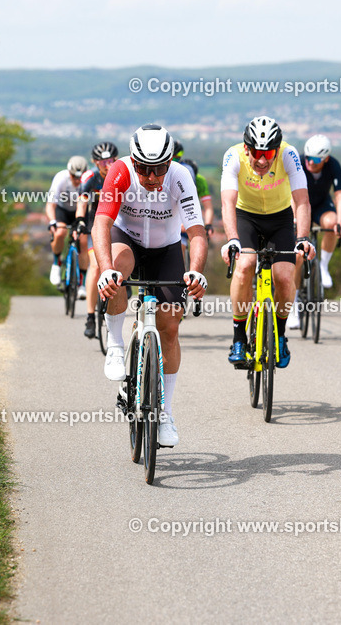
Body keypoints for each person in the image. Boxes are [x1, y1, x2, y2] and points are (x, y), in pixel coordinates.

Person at [95, 124, 207, 448]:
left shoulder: (181, 177)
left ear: (170, 163)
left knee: (170, 325)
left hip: (166, 249)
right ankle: (115, 343)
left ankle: (166, 413)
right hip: (125, 240)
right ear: (133, 161)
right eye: (144, 168)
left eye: (159, 168)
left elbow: (197, 232)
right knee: (118, 267)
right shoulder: (120, 172)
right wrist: (104, 271)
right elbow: (101, 222)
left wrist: (197, 272)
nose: (151, 176)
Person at [220, 117, 313, 369]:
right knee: (245, 265)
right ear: (247, 148)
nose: (262, 160)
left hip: (280, 218)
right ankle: (239, 337)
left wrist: (303, 237)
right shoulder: (233, 156)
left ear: (277, 149)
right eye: (257, 153)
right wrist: (232, 240)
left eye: (268, 153)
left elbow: (302, 200)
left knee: (284, 276)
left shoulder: (289, 155)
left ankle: (280, 335)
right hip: (245, 216)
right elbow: (228, 202)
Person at [287, 134, 341, 330]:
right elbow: (289, 193)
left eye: (316, 160)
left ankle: (324, 266)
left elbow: (340, 196)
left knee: (331, 223)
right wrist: (294, 219)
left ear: (326, 159)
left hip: (320, 205)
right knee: (297, 257)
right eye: (308, 158)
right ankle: (293, 307)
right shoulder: (299, 162)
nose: (310, 162)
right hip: (299, 205)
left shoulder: (334, 166)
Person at [76, 141, 119, 338]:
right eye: (102, 162)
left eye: (110, 160)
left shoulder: (121, 175)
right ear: (95, 162)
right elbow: (82, 203)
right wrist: (79, 221)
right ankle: (91, 316)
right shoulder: (90, 178)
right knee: (96, 268)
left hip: (118, 226)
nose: (106, 165)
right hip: (96, 225)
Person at [46, 156, 88, 290]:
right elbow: (50, 204)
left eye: (79, 177)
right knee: (60, 233)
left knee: (83, 241)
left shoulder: (87, 180)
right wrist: (52, 221)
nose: (77, 180)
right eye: (74, 176)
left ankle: (82, 281)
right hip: (63, 210)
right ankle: (56, 262)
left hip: (80, 211)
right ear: (69, 173)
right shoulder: (61, 178)